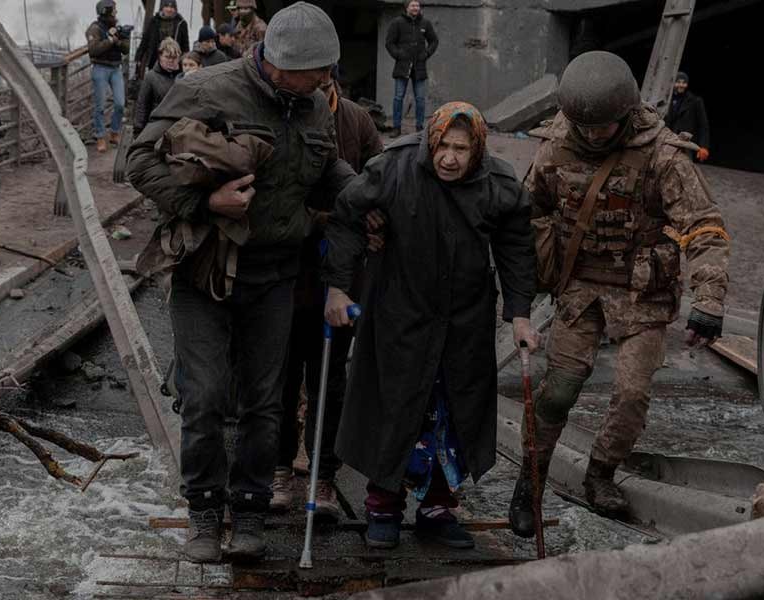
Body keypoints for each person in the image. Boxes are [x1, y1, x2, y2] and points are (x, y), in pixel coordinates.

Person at [126, 1, 353, 564]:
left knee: (264, 401)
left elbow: (326, 172)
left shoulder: (314, 105)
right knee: (204, 395)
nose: (326, 80)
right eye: (316, 71)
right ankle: (204, 510)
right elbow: (140, 163)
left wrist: (372, 192)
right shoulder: (208, 89)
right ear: (279, 65)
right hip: (205, 268)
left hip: (275, 273)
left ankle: (249, 510)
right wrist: (208, 202)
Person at [508, 51, 730, 535]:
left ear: (626, 112)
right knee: (557, 392)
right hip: (579, 289)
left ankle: (601, 473)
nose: (592, 136)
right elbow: (524, 214)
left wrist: (709, 301)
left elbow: (704, 227)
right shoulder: (556, 147)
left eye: (602, 127)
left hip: (642, 293)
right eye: (583, 127)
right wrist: (520, 289)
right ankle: (530, 481)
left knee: (631, 394)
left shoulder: (663, 155)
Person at [324, 101, 539, 550]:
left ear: (476, 150)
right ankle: (382, 506)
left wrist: (520, 314)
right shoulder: (395, 168)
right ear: (430, 141)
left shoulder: (497, 183)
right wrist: (339, 288)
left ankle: (438, 509)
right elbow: (346, 215)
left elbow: (517, 246)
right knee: (395, 406)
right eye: (443, 146)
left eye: (461, 149)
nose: (449, 158)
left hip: (465, 320)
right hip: (400, 311)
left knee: (454, 410)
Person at [272, 66, 384, 521]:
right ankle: (279, 469)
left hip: (340, 272)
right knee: (280, 378)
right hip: (285, 269)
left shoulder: (356, 121)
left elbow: (377, 182)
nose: (315, 91)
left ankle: (324, 476)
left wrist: (375, 218)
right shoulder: (282, 112)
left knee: (330, 379)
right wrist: (327, 217)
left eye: (323, 83)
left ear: (332, 81)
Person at [384, 0, 438, 138]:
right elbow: (389, 43)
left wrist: (426, 54)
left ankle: (420, 128)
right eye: (413, 5)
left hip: (419, 67)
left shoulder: (425, 23)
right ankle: (396, 128)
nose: (415, 8)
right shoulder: (397, 23)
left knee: (420, 99)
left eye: (417, 5)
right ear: (406, 7)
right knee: (398, 98)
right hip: (402, 67)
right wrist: (398, 54)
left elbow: (434, 41)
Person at [86, 0, 130, 153]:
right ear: (106, 11)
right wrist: (110, 40)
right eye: (113, 10)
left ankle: (114, 131)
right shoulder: (94, 29)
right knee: (100, 105)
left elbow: (126, 49)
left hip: (115, 68)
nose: (116, 13)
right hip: (100, 68)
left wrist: (119, 39)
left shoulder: (117, 28)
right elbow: (93, 50)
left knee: (120, 103)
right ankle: (100, 136)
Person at [134, 38, 181, 137]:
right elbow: (142, 105)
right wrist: (138, 130)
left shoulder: (183, 76)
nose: (171, 60)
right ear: (160, 57)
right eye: (167, 57)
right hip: (156, 126)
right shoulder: (151, 77)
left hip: (178, 127)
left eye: (174, 57)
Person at [664, 72, 710, 163]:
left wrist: (704, 146)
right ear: (673, 83)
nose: (681, 85)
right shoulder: (667, 99)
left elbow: (703, 125)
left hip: (686, 144)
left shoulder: (695, 101)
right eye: (678, 82)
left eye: (684, 83)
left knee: (684, 168)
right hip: (668, 141)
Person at [135, 0, 190, 74]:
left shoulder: (181, 23)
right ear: (162, 8)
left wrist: (186, 61)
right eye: (166, 6)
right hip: (155, 60)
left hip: (174, 61)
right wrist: (138, 58)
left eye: (172, 7)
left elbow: (185, 46)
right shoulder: (154, 21)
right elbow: (145, 41)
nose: (169, 9)